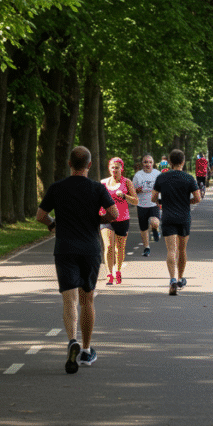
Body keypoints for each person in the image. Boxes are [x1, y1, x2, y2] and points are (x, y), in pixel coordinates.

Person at [36, 146, 120, 373]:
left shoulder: (57, 188)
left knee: (69, 300)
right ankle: (85, 349)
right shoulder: (97, 188)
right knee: (87, 300)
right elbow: (114, 214)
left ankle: (72, 340)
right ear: (89, 165)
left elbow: (40, 215)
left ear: (69, 164)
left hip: (65, 249)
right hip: (90, 249)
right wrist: (98, 218)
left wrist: (53, 224)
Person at [152, 149, 201, 295]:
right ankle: (180, 278)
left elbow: (153, 198)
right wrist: (187, 202)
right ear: (183, 162)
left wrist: (163, 202)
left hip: (168, 217)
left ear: (169, 162)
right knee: (182, 250)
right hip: (184, 217)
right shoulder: (189, 178)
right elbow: (198, 198)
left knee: (171, 250)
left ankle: (172, 279)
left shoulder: (161, 177)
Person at [100, 157, 137, 285]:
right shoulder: (103, 183)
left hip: (122, 218)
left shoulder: (127, 182)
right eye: (112, 167)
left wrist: (125, 196)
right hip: (106, 218)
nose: (114, 170)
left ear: (122, 169)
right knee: (108, 246)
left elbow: (135, 201)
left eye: (117, 167)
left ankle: (118, 271)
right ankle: (109, 274)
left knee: (119, 248)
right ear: (109, 169)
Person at [132, 154, 163, 257]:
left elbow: (162, 187)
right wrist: (137, 190)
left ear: (153, 163)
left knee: (154, 222)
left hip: (154, 203)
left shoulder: (157, 174)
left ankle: (155, 229)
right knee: (143, 228)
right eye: (145, 162)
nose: (148, 164)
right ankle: (146, 248)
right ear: (142, 163)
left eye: (150, 162)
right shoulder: (138, 175)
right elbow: (132, 191)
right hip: (141, 204)